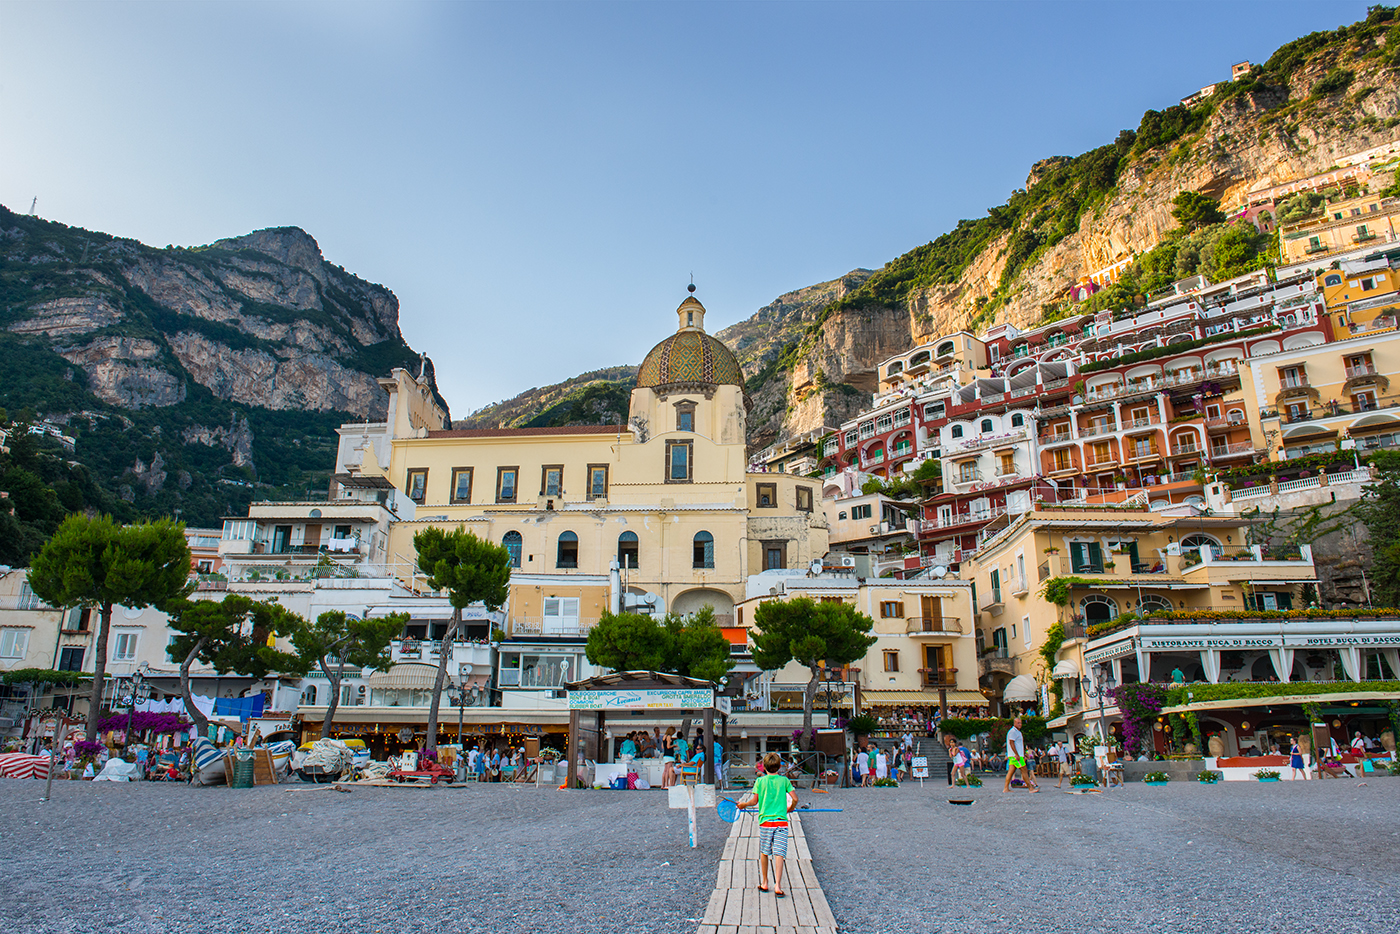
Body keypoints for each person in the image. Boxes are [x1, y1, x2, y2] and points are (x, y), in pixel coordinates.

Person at [735, 752, 798, 898]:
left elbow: (754, 801)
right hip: (781, 822)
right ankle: (778, 885)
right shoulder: (784, 781)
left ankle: (764, 882)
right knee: (779, 853)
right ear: (779, 766)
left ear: (764, 766)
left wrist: (743, 804)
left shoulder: (760, 782)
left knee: (764, 852)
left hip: (765, 823)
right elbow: (795, 798)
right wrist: (791, 808)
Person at [1003, 716, 1037, 793]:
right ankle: (1030, 788)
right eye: (1018, 723)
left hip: (1016, 755)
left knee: (1011, 771)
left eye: (1020, 723)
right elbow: (1011, 743)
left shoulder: (1018, 732)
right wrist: (1017, 754)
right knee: (1024, 769)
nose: (1020, 724)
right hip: (1016, 756)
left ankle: (1006, 788)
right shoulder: (1013, 732)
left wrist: (1024, 753)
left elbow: (1019, 745)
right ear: (1014, 723)